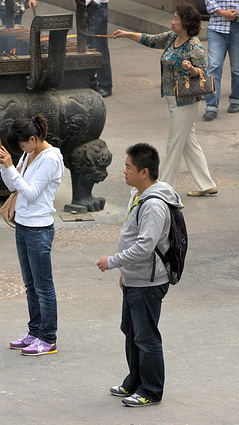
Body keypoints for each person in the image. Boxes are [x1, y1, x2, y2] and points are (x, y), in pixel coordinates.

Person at [97, 143, 181, 407]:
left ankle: (151, 390)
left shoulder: (154, 204)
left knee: (146, 337)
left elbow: (145, 247)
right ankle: (134, 382)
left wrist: (113, 262)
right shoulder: (138, 194)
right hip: (137, 277)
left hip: (149, 281)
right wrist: (126, 271)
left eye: (128, 167)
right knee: (131, 330)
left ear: (144, 172)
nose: (123, 171)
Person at [112, 2, 217, 197]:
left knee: (174, 143)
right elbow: (150, 39)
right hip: (173, 99)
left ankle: (164, 188)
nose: (172, 21)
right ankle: (206, 184)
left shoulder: (194, 45)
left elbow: (203, 72)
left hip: (186, 100)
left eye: (176, 18)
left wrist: (191, 69)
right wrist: (127, 34)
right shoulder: (171, 38)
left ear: (185, 23)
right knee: (188, 143)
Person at [0, 114, 64, 356]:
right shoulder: (28, 153)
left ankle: (48, 338)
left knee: (43, 286)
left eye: (23, 144)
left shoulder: (51, 158)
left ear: (33, 139)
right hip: (23, 225)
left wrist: (11, 167)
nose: (21, 148)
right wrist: (6, 166)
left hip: (39, 228)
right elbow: (14, 187)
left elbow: (32, 193)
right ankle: (34, 331)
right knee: (30, 285)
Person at [202, 0, 239, 121]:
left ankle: (237, 99)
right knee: (213, 66)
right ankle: (211, 106)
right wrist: (222, 13)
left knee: (237, 67)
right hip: (217, 25)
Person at [87, 0, 113, 98]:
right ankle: (90, 81)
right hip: (85, 8)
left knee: (100, 48)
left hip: (97, 8)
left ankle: (105, 85)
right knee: (87, 46)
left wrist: (95, 1)